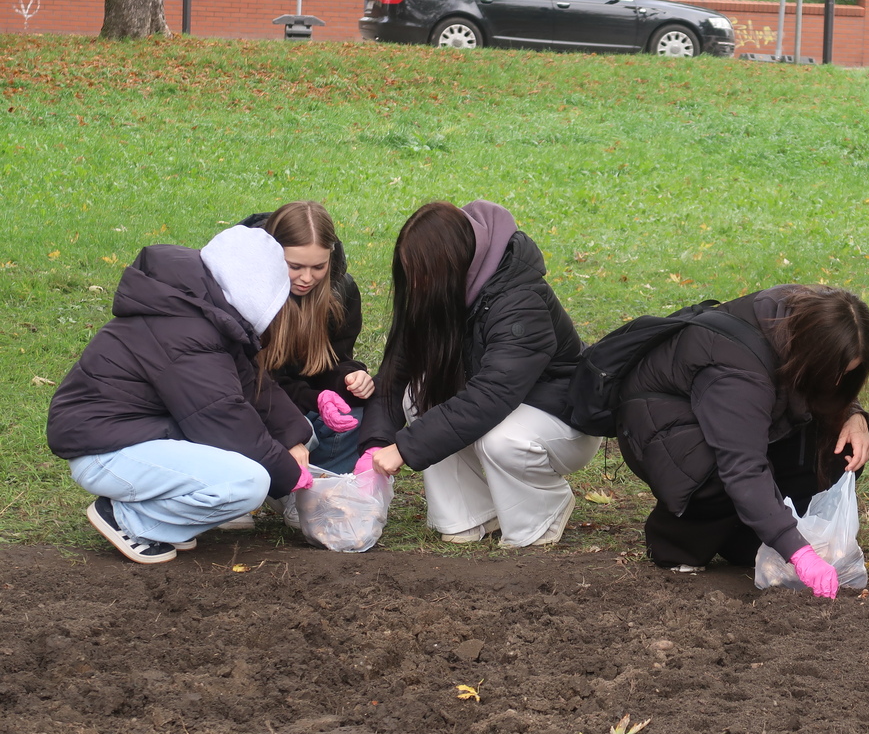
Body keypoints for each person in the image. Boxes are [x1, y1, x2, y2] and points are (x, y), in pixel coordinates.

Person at [45, 226, 316, 564]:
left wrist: (293, 435)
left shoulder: (198, 310)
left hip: (132, 435)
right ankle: (130, 519)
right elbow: (224, 418)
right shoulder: (187, 331)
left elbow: (250, 387)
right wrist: (288, 474)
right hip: (103, 450)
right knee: (248, 481)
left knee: (259, 462)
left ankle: (160, 519)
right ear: (252, 290)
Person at [355, 200, 598, 547]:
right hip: (506, 409)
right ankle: (471, 514)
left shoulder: (519, 299)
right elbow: (395, 375)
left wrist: (405, 447)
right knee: (420, 392)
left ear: (454, 266)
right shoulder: (436, 293)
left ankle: (544, 512)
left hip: (561, 420)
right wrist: (376, 445)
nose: (415, 285)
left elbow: (493, 394)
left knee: (502, 440)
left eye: (423, 274)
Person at [614, 284, 869, 599]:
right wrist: (800, 554)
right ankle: (678, 540)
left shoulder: (808, 314)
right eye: (832, 372)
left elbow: (830, 383)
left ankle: (754, 533)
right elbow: (742, 466)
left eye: (847, 374)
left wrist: (854, 414)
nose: (837, 382)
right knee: (718, 474)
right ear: (810, 352)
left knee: (840, 444)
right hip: (668, 430)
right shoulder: (737, 372)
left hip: (747, 417)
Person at [244, 201, 374, 475]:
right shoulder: (240, 290)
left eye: (318, 267)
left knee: (355, 412)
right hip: (252, 400)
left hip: (299, 399)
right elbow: (251, 381)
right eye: (295, 266)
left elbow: (332, 362)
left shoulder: (340, 292)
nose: (307, 278)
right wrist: (313, 400)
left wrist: (348, 379)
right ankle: (245, 485)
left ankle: (317, 486)